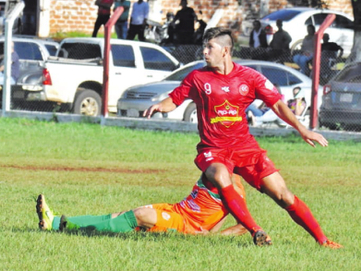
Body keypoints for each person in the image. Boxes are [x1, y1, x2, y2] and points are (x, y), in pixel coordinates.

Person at [143, 28, 341, 248]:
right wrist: (161, 106)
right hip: (214, 149)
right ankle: (255, 230)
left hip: (245, 148)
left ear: (225, 51)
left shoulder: (250, 77)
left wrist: (302, 129)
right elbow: (175, 99)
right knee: (219, 174)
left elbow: (276, 104)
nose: (204, 52)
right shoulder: (197, 77)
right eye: (204, 47)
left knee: (282, 194)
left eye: (210, 47)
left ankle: (323, 240)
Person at [36, 174, 247, 237]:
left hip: (185, 224)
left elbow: (242, 225)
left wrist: (209, 236)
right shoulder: (211, 168)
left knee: (139, 215)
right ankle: (53, 222)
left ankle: (71, 229)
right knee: (121, 215)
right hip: (175, 210)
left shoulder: (234, 188)